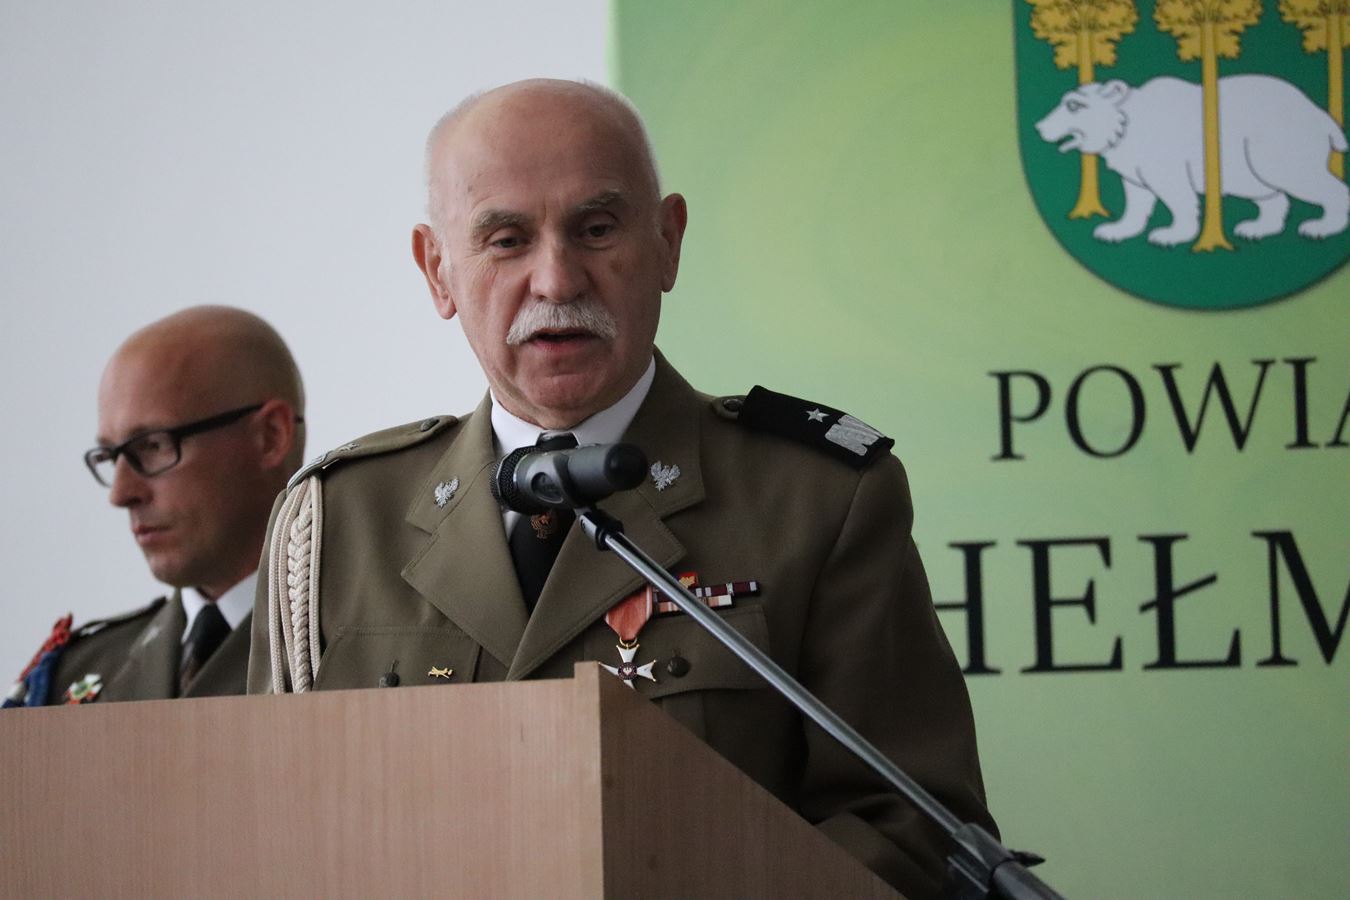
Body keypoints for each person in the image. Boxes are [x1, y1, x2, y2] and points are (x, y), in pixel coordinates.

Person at [248, 79, 994, 897]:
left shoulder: (816, 500)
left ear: (668, 241)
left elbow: (910, 830)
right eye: (506, 240)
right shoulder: (337, 523)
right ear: (438, 271)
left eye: (596, 229)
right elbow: (269, 830)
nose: (557, 280)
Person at [4, 306, 305, 707]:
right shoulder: (77, 673)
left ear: (270, 436)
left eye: (153, 445)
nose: (120, 494)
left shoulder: (362, 648)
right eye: (110, 457)